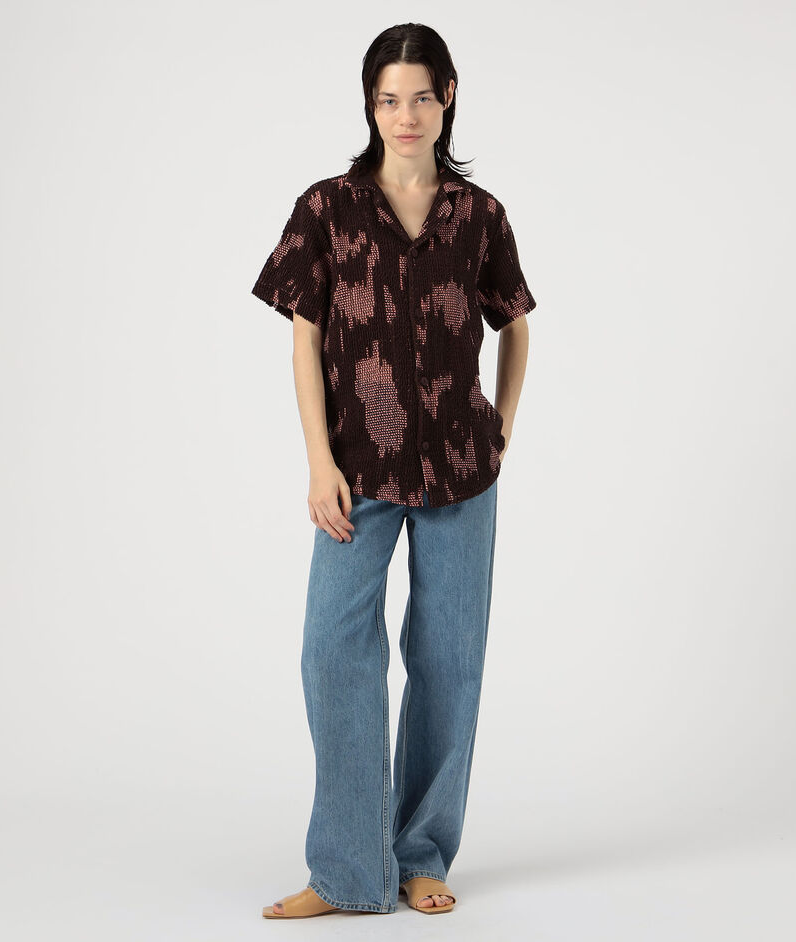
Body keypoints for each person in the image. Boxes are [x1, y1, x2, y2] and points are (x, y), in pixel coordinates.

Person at [251, 22, 537, 918]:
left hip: (462, 471)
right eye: (387, 99)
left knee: (448, 661)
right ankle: (346, 871)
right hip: (357, 471)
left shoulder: (479, 216)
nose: (403, 115)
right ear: (369, 105)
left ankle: (421, 854)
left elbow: (515, 323)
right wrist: (317, 460)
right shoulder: (326, 209)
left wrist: (501, 428)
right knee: (331, 651)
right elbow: (304, 340)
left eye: (419, 96)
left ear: (447, 96)